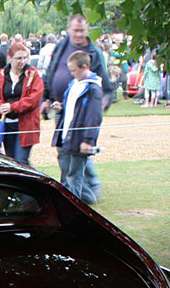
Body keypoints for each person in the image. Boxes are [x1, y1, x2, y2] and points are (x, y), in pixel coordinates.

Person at [41, 15, 111, 203]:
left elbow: (98, 104)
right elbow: (51, 72)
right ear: (69, 29)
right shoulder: (63, 48)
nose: (79, 34)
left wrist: (89, 137)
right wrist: (52, 101)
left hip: (81, 124)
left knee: (76, 166)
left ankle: (77, 200)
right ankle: (78, 196)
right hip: (65, 119)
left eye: (82, 30)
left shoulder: (93, 56)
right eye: (75, 30)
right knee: (65, 161)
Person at [52, 50, 102, 204]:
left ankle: (73, 205)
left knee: (75, 173)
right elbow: (72, 107)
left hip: (80, 137)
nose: (72, 74)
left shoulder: (93, 89)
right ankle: (87, 198)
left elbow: (94, 117)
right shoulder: (74, 84)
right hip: (67, 134)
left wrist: (88, 140)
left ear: (84, 67)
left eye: (74, 70)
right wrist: (61, 107)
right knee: (66, 168)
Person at [0, 42, 43, 165]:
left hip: (26, 124)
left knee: (22, 161)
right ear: (9, 58)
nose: (22, 61)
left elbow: (33, 99)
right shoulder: (1, 75)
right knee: (11, 161)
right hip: (7, 125)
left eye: (24, 58)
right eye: (18, 58)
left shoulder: (33, 74)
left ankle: (30, 184)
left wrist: (12, 107)